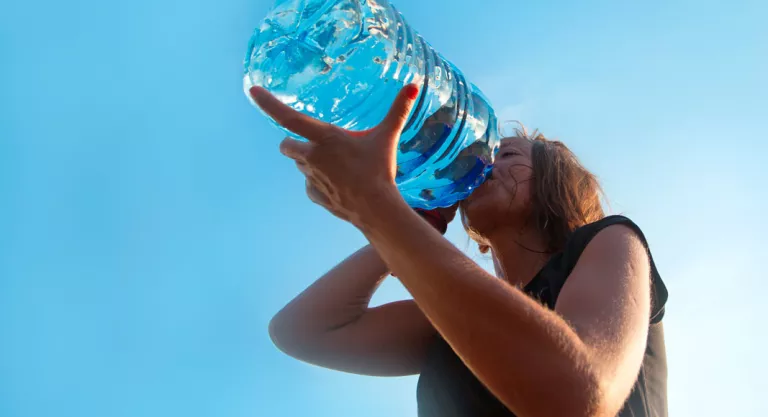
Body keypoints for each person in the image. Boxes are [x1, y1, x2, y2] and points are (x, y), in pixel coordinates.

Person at [251, 84, 668, 417]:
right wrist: (404, 222)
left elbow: (576, 399)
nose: (484, 164)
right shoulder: (454, 316)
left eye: (505, 155)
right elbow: (300, 331)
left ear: (554, 179)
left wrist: (375, 204)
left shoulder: (610, 240)